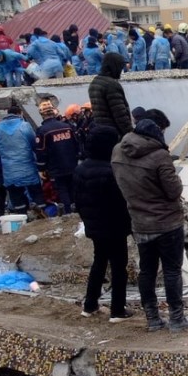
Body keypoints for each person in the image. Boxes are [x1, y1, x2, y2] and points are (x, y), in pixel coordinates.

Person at [112, 113, 188, 332]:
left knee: (147, 271)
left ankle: (153, 319)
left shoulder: (118, 151)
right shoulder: (159, 156)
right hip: (167, 222)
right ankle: (177, 319)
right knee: (172, 271)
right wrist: (174, 176)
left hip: (140, 222)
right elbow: (173, 191)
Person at [75, 125, 133, 322]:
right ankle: (118, 309)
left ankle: (89, 305)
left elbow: (78, 201)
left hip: (94, 227)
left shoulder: (81, 168)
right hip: (114, 227)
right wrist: (129, 225)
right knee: (119, 267)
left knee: (99, 263)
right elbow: (120, 203)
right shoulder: (111, 171)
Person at [0, 103, 43, 215]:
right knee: (36, 194)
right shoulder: (25, 126)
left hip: (9, 171)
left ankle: (22, 219)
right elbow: (34, 145)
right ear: (20, 113)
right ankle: (42, 216)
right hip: (27, 168)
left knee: (16, 198)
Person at [35, 100, 80, 214]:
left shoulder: (42, 131)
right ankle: (78, 210)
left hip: (56, 167)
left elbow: (41, 152)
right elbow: (76, 145)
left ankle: (68, 212)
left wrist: (41, 168)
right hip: (72, 164)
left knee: (62, 189)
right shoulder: (67, 127)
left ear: (42, 114)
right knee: (73, 187)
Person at [89, 52, 132, 136]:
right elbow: (120, 115)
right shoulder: (111, 85)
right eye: (120, 67)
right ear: (114, 66)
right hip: (115, 133)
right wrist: (130, 134)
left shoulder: (95, 82)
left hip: (102, 131)